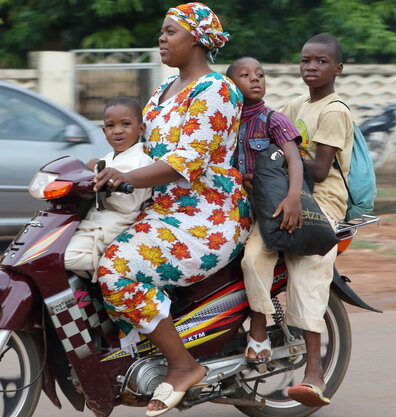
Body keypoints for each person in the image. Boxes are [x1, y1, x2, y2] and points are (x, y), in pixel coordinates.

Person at [93, 3, 250, 416]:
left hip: (206, 217)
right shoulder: (162, 91)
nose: (161, 39)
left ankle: (183, 366)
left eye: (169, 32)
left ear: (196, 39)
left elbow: (185, 162)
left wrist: (124, 178)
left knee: (117, 269)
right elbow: (138, 149)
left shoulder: (217, 92)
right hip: (158, 209)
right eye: (161, 32)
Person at [243, 33, 354, 408]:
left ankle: (314, 373)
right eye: (306, 60)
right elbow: (268, 133)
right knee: (252, 255)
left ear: (336, 69)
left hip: (319, 204)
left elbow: (320, 170)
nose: (311, 67)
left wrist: (274, 163)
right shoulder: (293, 106)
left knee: (306, 277)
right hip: (285, 194)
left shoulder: (334, 110)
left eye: (321, 62)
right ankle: (258, 330)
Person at [225, 57, 305, 363]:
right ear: (231, 85)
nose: (255, 79)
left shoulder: (274, 120)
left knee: (254, 260)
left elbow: (294, 159)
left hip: (267, 212)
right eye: (245, 75)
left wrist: (294, 197)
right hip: (233, 211)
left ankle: (258, 329)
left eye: (260, 74)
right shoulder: (226, 126)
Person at [64, 97, 154, 280]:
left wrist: (98, 169)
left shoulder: (143, 162)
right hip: (91, 224)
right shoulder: (109, 158)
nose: (118, 131)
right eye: (111, 126)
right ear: (104, 132)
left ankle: (109, 269)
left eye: (126, 124)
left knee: (65, 259)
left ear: (141, 129)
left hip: (110, 228)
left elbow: (127, 202)